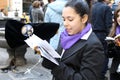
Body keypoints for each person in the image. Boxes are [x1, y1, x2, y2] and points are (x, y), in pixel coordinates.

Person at [41, 0, 105, 80]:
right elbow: (61, 58)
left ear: (84, 18)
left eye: (70, 19)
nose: (65, 24)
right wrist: (48, 55)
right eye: (64, 19)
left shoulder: (93, 45)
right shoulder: (64, 35)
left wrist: (56, 66)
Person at [91, 0, 113, 79]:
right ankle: (101, 76)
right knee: (104, 55)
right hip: (102, 34)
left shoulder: (92, 7)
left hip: (92, 34)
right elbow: (108, 24)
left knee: (93, 55)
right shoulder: (106, 8)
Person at [107, 6, 120, 80]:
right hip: (115, 71)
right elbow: (109, 55)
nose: (119, 18)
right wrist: (111, 46)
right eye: (117, 16)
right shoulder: (113, 31)